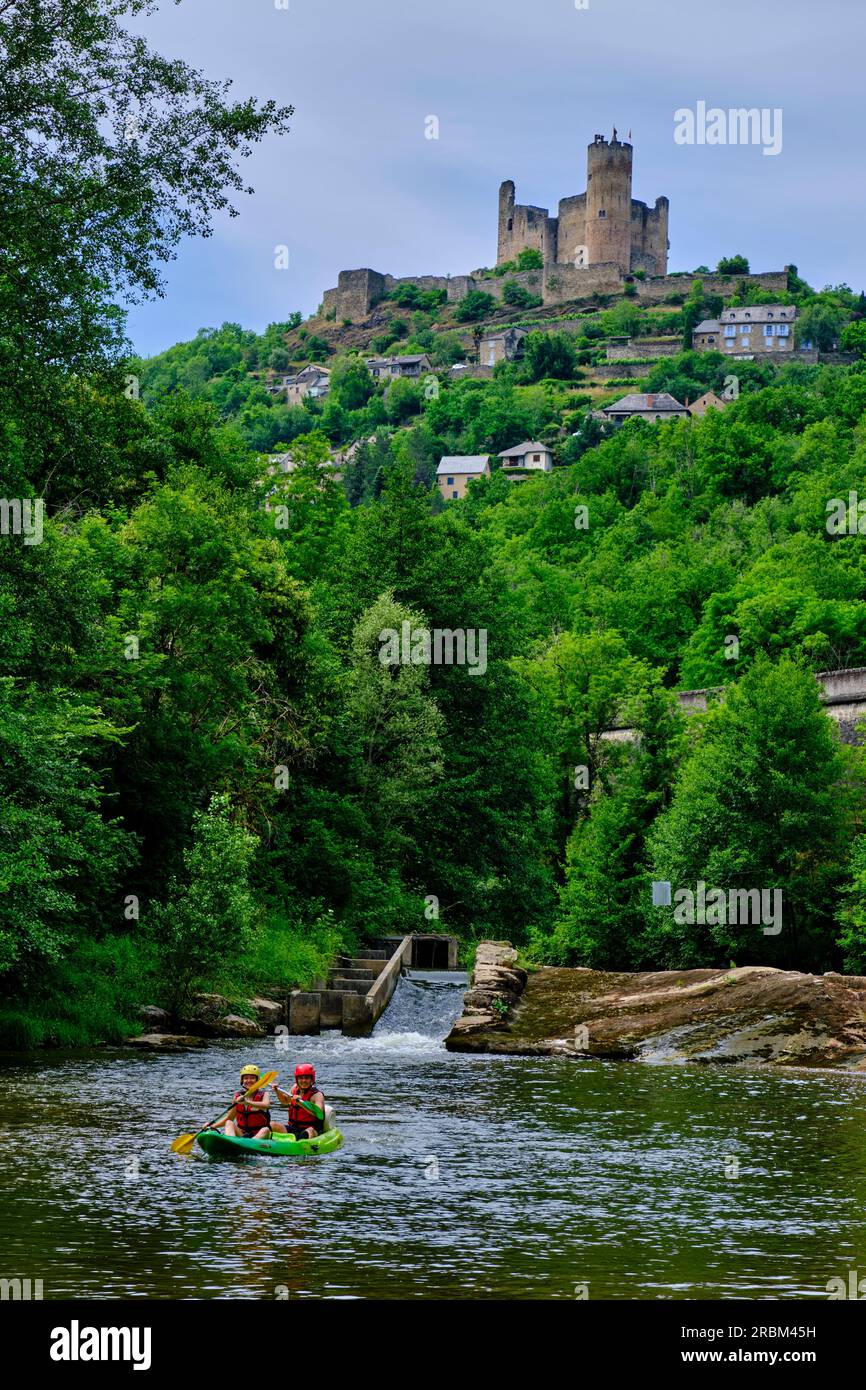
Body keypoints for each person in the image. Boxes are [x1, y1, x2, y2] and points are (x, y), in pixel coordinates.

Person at [272, 1064, 326, 1140]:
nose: (303, 1080)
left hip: (311, 1129)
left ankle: (302, 1144)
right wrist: (277, 1091)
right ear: (297, 1079)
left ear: (311, 1079)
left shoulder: (317, 1095)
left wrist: (301, 1103)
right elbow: (285, 1101)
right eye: (301, 1078)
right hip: (293, 1128)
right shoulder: (294, 1088)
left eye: (306, 1078)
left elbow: (319, 1113)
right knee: (272, 1125)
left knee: (309, 1131)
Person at [223, 1063, 273, 1140]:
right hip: (242, 1134)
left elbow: (266, 1105)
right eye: (246, 1078)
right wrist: (211, 1126)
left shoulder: (265, 1094)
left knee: (265, 1130)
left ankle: (249, 1144)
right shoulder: (237, 1097)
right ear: (242, 1080)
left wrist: (247, 1102)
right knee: (229, 1123)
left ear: (257, 1080)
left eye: (252, 1078)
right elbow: (229, 1118)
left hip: (260, 1135)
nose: (249, 1081)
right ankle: (231, 1142)